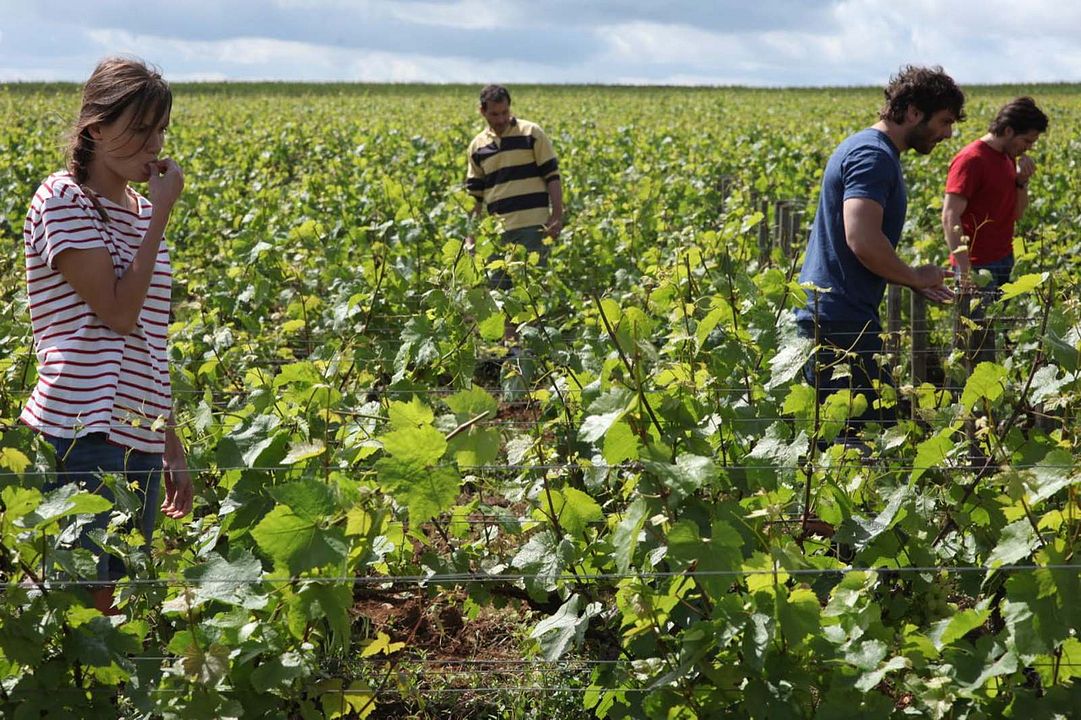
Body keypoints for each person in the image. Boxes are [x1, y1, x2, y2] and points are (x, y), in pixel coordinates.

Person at [21, 57, 193, 613]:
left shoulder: (142, 210)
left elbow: (146, 338)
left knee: (118, 600)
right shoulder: (62, 199)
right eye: (140, 128)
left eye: (161, 129)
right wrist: (161, 217)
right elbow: (118, 313)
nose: (154, 143)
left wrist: (169, 442)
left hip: (137, 429)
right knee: (79, 600)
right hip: (80, 430)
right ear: (96, 128)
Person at [795, 65, 965, 434]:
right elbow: (863, 239)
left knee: (850, 438)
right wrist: (914, 277)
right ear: (914, 112)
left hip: (837, 314)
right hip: (841, 321)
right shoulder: (873, 156)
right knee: (862, 442)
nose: (948, 133)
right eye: (945, 120)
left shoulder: (866, 147)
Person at [942, 97, 1048, 288]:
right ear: (1008, 131)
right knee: (977, 319)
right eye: (1026, 140)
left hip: (1004, 259)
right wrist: (965, 271)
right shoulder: (971, 159)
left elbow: (1017, 214)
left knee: (1000, 317)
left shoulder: (1008, 158)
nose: (1029, 147)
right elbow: (950, 216)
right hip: (976, 265)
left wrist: (1021, 182)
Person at [464, 84, 563, 285]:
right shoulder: (477, 146)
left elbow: (552, 176)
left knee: (533, 291)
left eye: (505, 112)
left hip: (533, 227)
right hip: (496, 233)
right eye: (494, 114)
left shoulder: (531, 133)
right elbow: (475, 196)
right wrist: (471, 235)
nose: (501, 119)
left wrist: (557, 215)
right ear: (482, 111)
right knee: (498, 294)